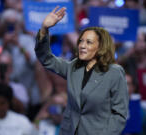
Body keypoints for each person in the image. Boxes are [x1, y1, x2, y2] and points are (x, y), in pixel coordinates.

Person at [35, 6, 129, 135]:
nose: (82, 46)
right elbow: (45, 58)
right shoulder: (73, 67)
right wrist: (44, 29)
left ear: (100, 47)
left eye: (89, 42)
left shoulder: (114, 72)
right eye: (81, 41)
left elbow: (119, 114)